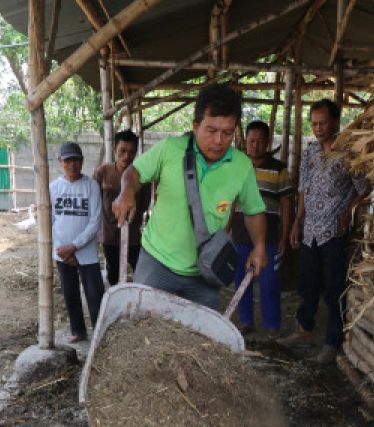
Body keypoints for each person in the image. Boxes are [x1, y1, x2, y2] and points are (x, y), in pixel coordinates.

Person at [113, 84, 269, 310]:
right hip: (157, 262)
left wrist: (260, 246)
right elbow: (134, 173)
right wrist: (126, 191)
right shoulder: (169, 149)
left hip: (205, 271)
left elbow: (254, 211)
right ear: (195, 126)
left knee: (201, 341)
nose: (218, 141)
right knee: (144, 330)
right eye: (211, 130)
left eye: (227, 133)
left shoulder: (242, 166)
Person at [285, 99, 369, 364]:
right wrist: (297, 222)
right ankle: (304, 329)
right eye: (314, 123)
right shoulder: (310, 151)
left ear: (334, 122)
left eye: (322, 123)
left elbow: (363, 189)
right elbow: (303, 188)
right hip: (310, 229)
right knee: (307, 283)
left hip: (333, 231)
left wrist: (348, 212)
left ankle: (333, 341)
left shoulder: (347, 154)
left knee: (334, 288)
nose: (318, 128)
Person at [230, 120, 292, 335]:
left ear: (268, 143)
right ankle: (246, 322)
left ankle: (272, 325)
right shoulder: (236, 165)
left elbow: (286, 203)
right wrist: (226, 228)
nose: (255, 145)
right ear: (245, 142)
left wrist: (284, 235)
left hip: (270, 238)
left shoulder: (278, 169)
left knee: (269, 283)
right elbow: (230, 200)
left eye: (259, 142)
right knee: (240, 280)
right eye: (251, 141)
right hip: (239, 234)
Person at [51, 141, 103, 343]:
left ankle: (100, 332)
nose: (72, 164)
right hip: (62, 251)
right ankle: (78, 331)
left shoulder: (91, 186)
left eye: (76, 160)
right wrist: (62, 250)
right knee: (70, 294)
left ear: (82, 162)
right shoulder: (54, 188)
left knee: (95, 294)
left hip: (86, 252)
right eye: (68, 160)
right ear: (60, 162)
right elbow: (51, 222)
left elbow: (95, 221)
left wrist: (73, 247)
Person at [94, 130, 150, 286]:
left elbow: (145, 204)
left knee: (140, 271)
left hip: (133, 236)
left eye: (131, 152)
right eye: (122, 151)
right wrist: (98, 231)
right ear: (114, 149)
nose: (127, 156)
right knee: (113, 273)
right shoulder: (103, 172)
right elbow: (95, 201)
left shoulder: (142, 175)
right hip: (109, 236)